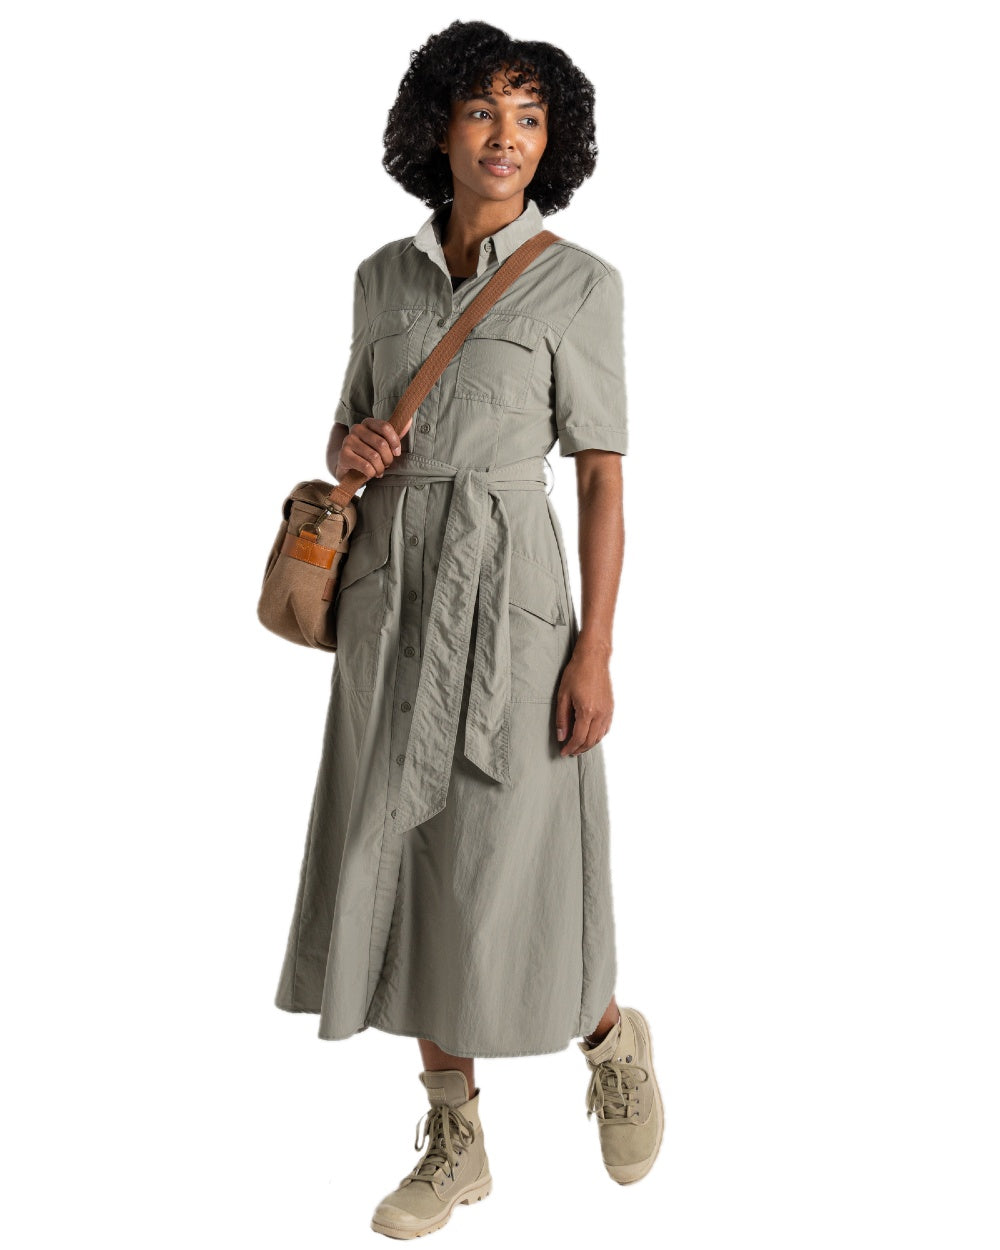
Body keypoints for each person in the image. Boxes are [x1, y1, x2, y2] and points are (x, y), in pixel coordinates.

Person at [272, 19, 663, 1237]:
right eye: (484, 109)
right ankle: (455, 1132)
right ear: (436, 127)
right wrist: (348, 445)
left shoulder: (581, 283)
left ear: (554, 141)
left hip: (512, 593)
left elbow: (599, 476)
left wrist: (595, 647)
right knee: (409, 853)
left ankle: (610, 1038)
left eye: (530, 116)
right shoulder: (381, 278)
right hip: (393, 590)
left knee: (513, 853)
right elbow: (351, 428)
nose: (506, 136)